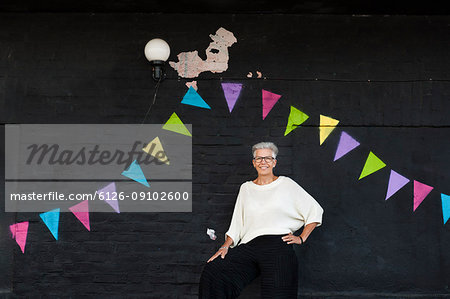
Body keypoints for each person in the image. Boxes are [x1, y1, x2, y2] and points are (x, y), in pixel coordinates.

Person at [198, 142, 324, 299]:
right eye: (259, 158)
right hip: (250, 246)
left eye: (267, 158)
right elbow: (237, 223)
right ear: (253, 162)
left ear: (274, 162)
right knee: (215, 271)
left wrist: (301, 238)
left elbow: (315, 210)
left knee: (278, 294)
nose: (263, 162)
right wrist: (224, 247)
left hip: (278, 244)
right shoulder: (246, 188)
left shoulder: (286, 184)